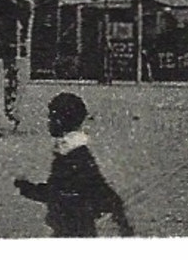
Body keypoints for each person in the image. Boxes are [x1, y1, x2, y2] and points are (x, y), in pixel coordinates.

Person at [14, 92, 135, 237]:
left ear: (60, 121)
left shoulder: (72, 156)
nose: (48, 122)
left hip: (73, 229)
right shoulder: (73, 153)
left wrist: (27, 188)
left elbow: (56, 192)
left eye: (51, 117)